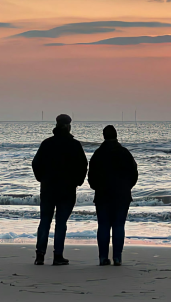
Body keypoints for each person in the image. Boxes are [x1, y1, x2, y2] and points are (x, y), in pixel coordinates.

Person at [32, 114, 88, 266]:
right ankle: (58, 255)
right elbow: (83, 165)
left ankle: (40, 255)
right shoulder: (74, 145)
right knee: (61, 222)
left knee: (45, 221)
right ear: (68, 126)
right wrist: (78, 181)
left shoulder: (47, 144)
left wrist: (41, 179)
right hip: (67, 189)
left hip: (48, 188)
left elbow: (36, 163)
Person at [88, 125, 138, 266]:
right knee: (119, 225)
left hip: (102, 194)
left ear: (104, 136)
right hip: (122, 194)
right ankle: (117, 257)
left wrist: (96, 187)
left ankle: (103, 257)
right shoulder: (125, 153)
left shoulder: (98, 153)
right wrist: (127, 187)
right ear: (116, 135)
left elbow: (91, 176)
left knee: (103, 225)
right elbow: (134, 173)